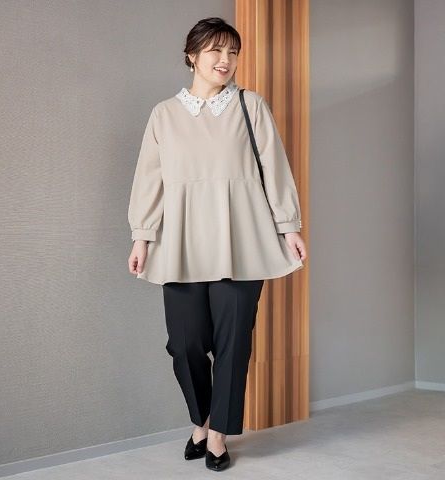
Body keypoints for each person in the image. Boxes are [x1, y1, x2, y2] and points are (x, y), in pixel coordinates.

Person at [127, 17, 307, 472]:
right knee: (184, 343)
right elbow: (149, 180)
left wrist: (289, 227)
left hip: (242, 242)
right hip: (180, 244)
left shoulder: (251, 105)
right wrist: (142, 237)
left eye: (232, 52)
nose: (225, 60)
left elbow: (275, 169)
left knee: (233, 344)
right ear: (191, 56)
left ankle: (217, 436)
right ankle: (202, 420)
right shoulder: (164, 115)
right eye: (215, 51)